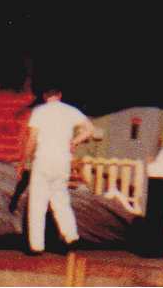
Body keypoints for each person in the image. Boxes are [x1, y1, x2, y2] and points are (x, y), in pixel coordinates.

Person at [18, 86, 94, 254]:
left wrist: (23, 161)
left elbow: (32, 139)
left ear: (45, 96)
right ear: (59, 95)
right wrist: (74, 141)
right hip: (62, 160)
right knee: (60, 199)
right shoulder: (71, 111)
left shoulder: (39, 112)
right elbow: (90, 129)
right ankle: (71, 237)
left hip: (43, 159)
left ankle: (36, 246)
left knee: (38, 203)